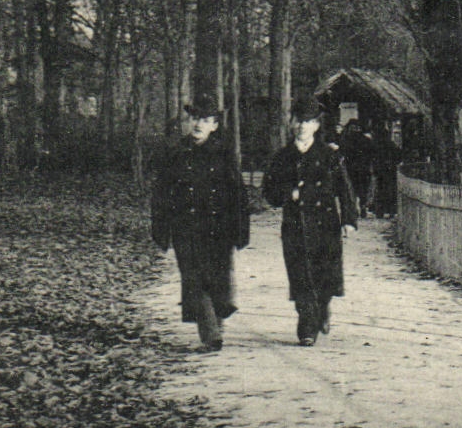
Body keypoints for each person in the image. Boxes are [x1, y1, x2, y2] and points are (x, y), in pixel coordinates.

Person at [150, 95, 250, 352]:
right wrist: (161, 230)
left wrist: (240, 230)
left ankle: (215, 326)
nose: (198, 124)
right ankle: (211, 334)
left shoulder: (224, 155)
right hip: (187, 228)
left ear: (214, 125)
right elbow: (161, 194)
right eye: (194, 119)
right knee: (194, 281)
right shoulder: (175, 154)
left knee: (218, 281)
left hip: (219, 229)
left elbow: (238, 194)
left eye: (205, 120)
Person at [263, 96, 358, 346]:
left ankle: (322, 308)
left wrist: (348, 220)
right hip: (295, 225)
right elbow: (268, 192)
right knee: (300, 275)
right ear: (292, 123)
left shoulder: (329, 155)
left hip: (325, 224)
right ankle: (307, 324)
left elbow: (344, 189)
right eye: (299, 121)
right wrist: (288, 194)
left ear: (316, 125)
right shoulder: (283, 156)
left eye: (309, 122)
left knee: (324, 274)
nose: (303, 126)